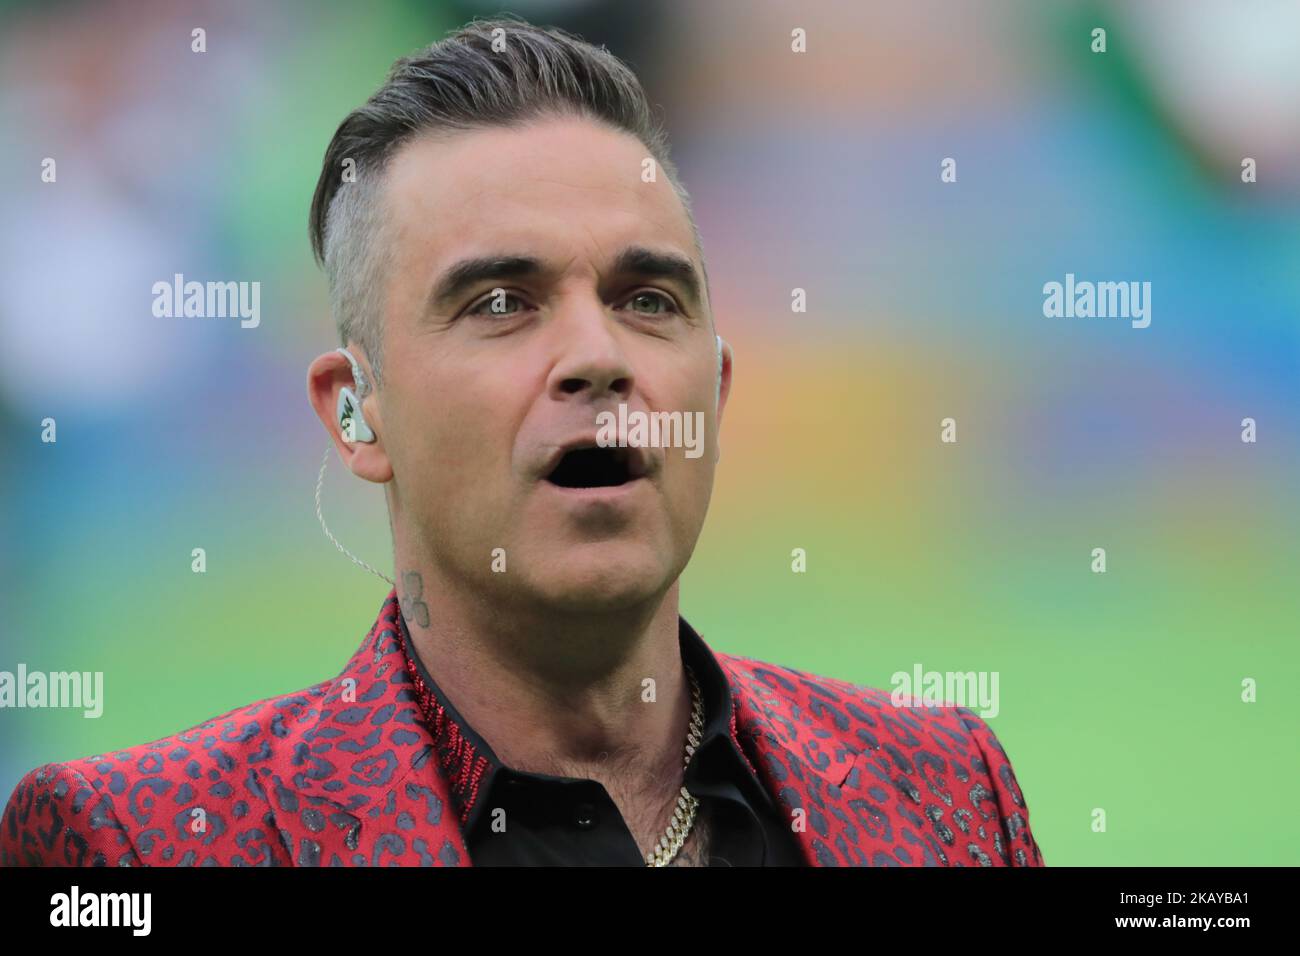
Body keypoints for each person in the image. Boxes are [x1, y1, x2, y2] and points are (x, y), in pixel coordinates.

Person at [0, 15, 1042, 867]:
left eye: (647, 297)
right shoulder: (129, 848)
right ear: (356, 412)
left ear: (715, 393)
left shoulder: (947, 794)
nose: (596, 355)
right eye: (501, 301)